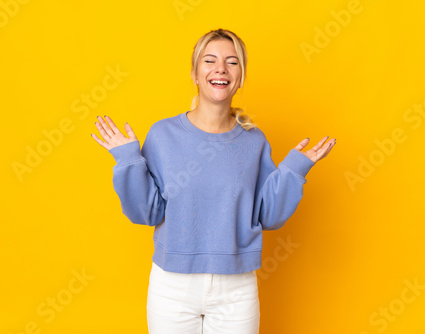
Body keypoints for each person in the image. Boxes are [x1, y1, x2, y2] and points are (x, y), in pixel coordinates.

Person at [91, 28, 336, 334]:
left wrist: (295, 169)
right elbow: (147, 213)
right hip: (172, 286)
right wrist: (128, 160)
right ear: (195, 73)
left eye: (232, 62)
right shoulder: (163, 135)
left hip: (236, 289)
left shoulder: (253, 141)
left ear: (240, 76)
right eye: (210, 60)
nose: (221, 68)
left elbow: (269, 216)